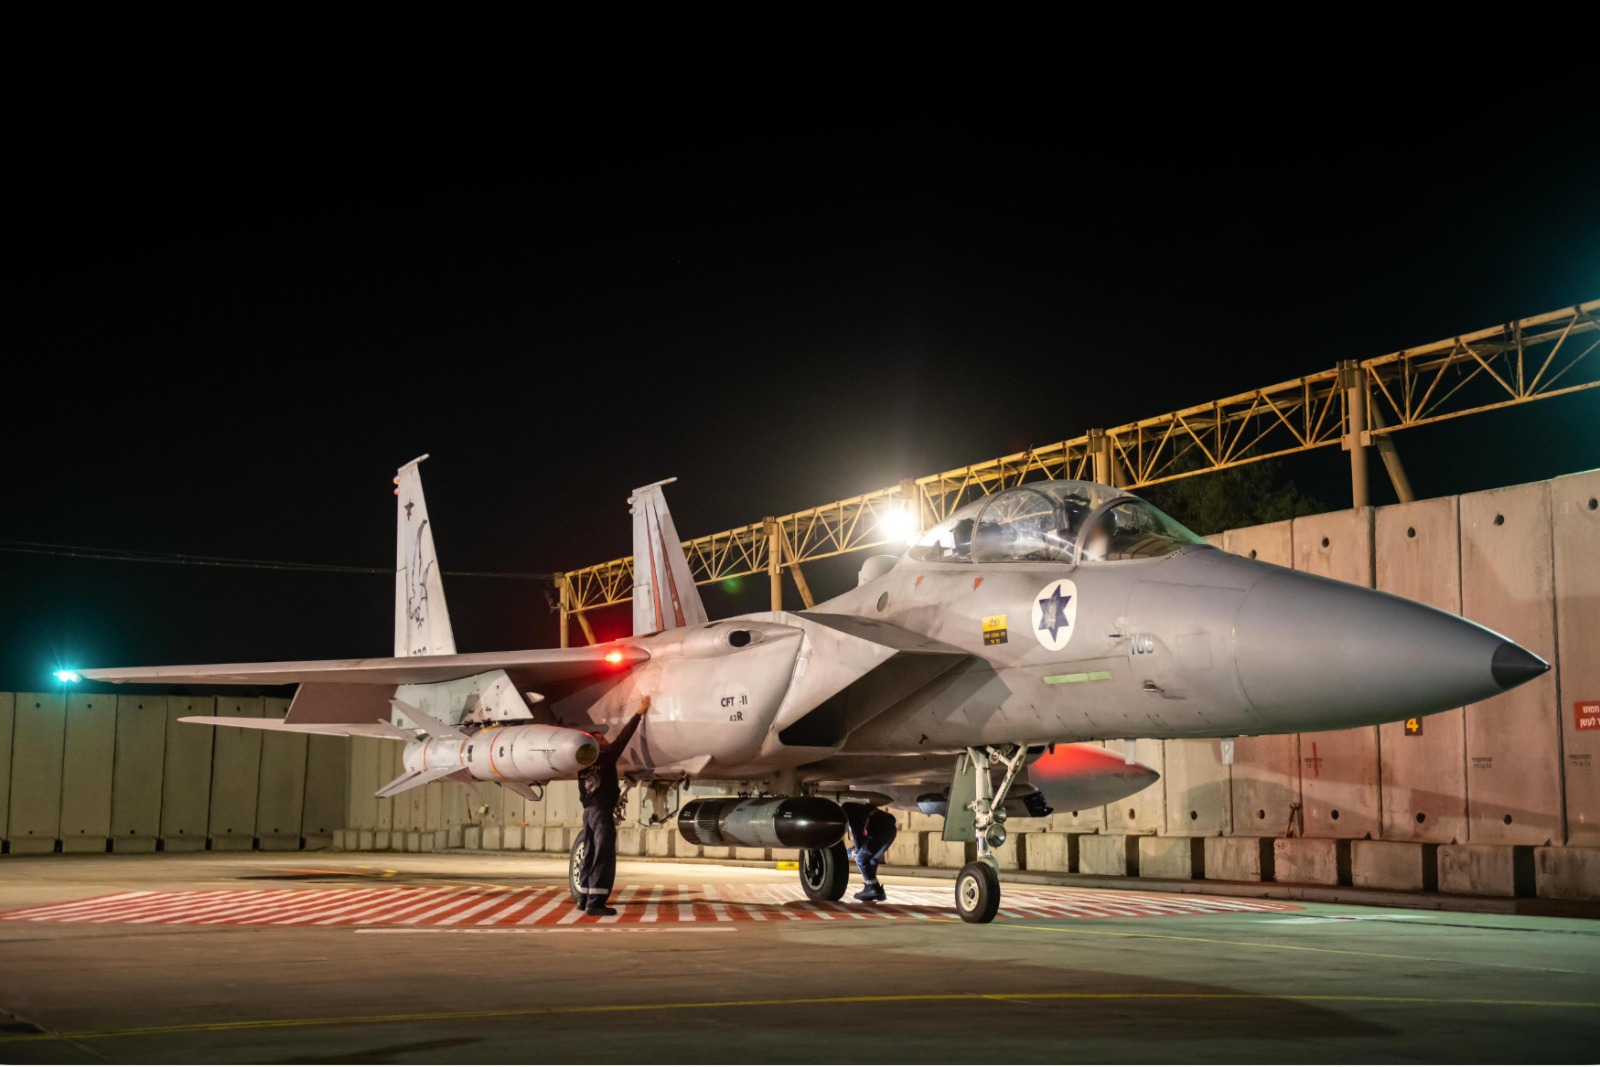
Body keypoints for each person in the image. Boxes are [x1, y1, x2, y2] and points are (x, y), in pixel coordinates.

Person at [576, 700, 647, 916]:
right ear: (595, 745)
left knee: (589, 853)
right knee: (603, 854)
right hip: (600, 812)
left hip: (588, 812)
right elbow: (625, 736)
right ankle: (596, 903)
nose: (606, 741)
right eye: (601, 739)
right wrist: (639, 713)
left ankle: (584, 898)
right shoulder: (606, 758)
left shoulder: (582, 764)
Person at [841, 801, 898, 902]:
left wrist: (854, 850)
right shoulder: (857, 810)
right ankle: (871, 887)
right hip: (889, 829)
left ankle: (873, 888)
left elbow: (857, 833)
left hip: (880, 828)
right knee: (871, 858)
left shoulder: (847, 812)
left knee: (861, 859)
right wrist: (854, 850)